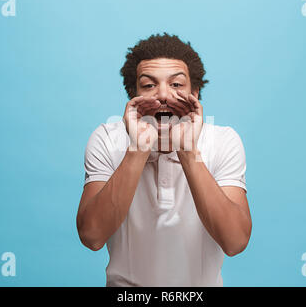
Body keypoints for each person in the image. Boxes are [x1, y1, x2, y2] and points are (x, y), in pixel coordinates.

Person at [76, 32, 252, 286]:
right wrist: (137, 149)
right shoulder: (106, 138)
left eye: (177, 85)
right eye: (148, 85)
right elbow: (92, 236)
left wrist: (188, 152)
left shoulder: (224, 141)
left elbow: (235, 242)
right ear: (132, 95)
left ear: (196, 92)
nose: (163, 95)